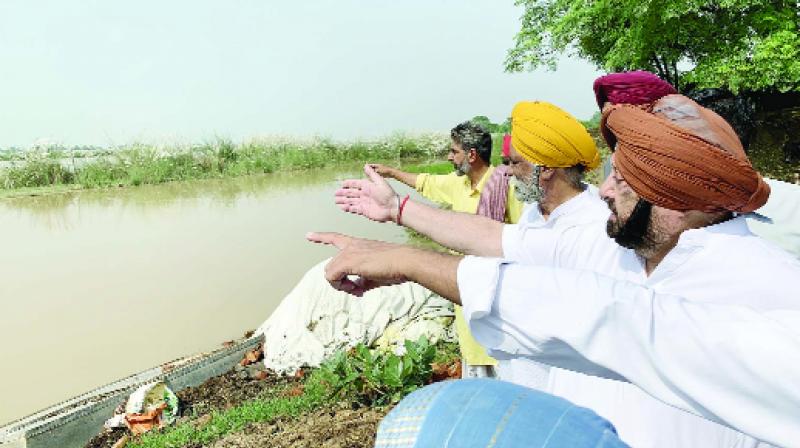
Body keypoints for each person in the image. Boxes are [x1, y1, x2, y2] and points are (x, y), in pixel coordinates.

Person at [311, 94, 800, 447]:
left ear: (674, 196)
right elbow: (503, 248)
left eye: (624, 182)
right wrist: (399, 214)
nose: (605, 191)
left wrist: (409, 259)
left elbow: (606, 315)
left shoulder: (767, 288)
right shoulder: (621, 248)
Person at [335, 101, 607, 389]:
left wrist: (403, 258)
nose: (509, 172)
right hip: (515, 354)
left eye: (514, 163)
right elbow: (487, 236)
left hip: (561, 380)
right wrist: (396, 209)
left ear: (547, 169)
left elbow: (495, 249)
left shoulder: (589, 225)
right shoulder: (535, 213)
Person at [369, 120, 523, 379]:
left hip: (500, 293)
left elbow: (521, 240)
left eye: (454, 151)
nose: (449, 157)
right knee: (476, 362)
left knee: (505, 366)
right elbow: (425, 182)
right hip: (465, 289)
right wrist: (392, 173)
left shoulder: (505, 185)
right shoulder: (457, 185)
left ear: (471, 155)